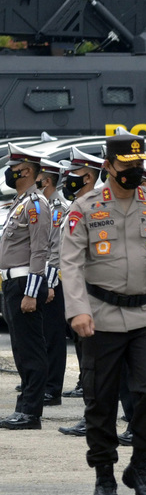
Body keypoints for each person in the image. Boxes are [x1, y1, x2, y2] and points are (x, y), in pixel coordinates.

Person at [59, 132, 146, 495]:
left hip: (145, 313)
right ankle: (104, 476)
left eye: (139, 166)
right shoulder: (85, 207)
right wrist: (77, 309)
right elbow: (71, 263)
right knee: (101, 400)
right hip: (99, 315)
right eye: (127, 166)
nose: (134, 172)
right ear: (108, 166)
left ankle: (140, 465)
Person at [0, 144, 51, 430]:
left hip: (24, 283)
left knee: (31, 349)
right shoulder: (21, 202)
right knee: (20, 348)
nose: (9, 172)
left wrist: (32, 291)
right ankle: (24, 408)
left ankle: (31, 413)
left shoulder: (36, 204)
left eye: (14, 167)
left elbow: (39, 250)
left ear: (28, 171)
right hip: (12, 282)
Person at [56, 149, 105, 436]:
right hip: (78, 293)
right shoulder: (78, 204)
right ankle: (92, 415)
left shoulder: (97, 207)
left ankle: (97, 417)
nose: (67, 180)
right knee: (87, 359)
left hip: (93, 295)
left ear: (88, 176)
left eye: (73, 175)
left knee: (95, 361)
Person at [38, 159, 67, 408]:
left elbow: (56, 250)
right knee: (43, 333)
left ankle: (52, 388)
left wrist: (49, 284)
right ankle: (43, 381)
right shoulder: (45, 204)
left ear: (46, 180)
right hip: (43, 276)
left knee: (53, 335)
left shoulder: (57, 208)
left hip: (53, 281)